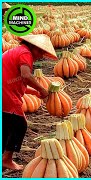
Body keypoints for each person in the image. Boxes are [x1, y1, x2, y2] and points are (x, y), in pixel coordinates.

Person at [2, 34, 57, 170]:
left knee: (6, 123)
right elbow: (26, 76)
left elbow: (16, 81)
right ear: (34, 48)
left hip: (4, 89)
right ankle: (7, 159)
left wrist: (36, 92)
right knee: (20, 124)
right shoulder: (25, 53)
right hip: (5, 93)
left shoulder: (17, 51)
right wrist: (43, 90)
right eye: (41, 52)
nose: (42, 55)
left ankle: (3, 155)